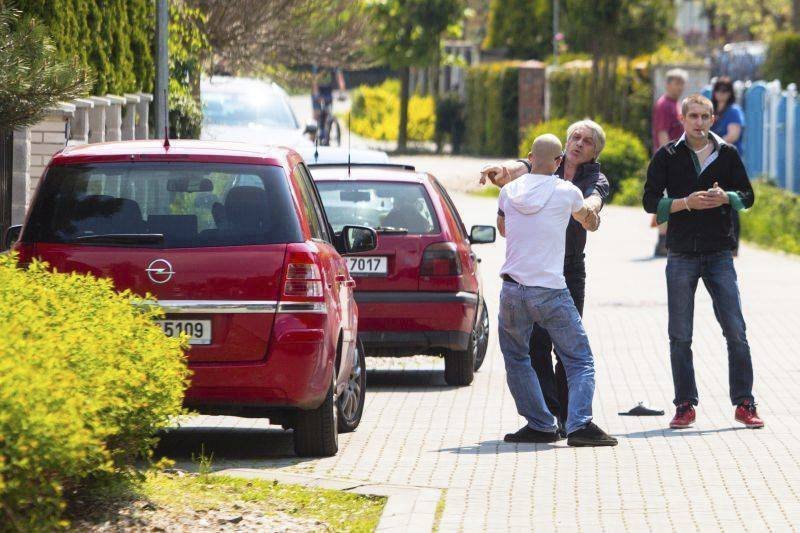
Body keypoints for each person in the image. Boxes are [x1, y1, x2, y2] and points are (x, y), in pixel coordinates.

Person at [642, 94, 764, 430]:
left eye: (705, 116)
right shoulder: (667, 155)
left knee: (735, 330)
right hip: (680, 252)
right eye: (693, 116)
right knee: (680, 334)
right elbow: (650, 201)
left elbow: (749, 197)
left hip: (719, 253)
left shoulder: (727, 154)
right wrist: (685, 203)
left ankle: (744, 402)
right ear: (683, 119)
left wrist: (728, 197)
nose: (699, 122)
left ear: (713, 119)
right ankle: (684, 405)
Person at [480, 120, 609, 436]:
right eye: (574, 138)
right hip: (551, 284)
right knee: (577, 356)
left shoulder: (511, 192)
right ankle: (567, 422)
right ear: (559, 156)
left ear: (595, 153)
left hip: (521, 284)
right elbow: (586, 214)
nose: (578, 144)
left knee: (517, 356)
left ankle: (549, 420)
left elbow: (594, 197)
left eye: (587, 141)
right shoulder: (566, 191)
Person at [651, 68, 688, 257]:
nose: (680, 87)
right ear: (668, 84)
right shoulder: (664, 104)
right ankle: (662, 241)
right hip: (667, 159)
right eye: (677, 83)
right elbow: (662, 133)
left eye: (682, 83)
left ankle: (669, 238)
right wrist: (671, 157)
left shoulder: (676, 104)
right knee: (666, 201)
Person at [710, 76, 745, 255]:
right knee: (714, 200)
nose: (721, 94)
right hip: (712, 159)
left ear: (730, 93)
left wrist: (711, 144)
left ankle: (733, 245)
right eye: (718, 90)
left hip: (729, 161)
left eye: (725, 90)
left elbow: (733, 135)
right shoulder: (713, 111)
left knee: (730, 200)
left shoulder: (734, 110)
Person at [311, 66, 346, 144]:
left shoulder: (334, 66)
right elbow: (314, 82)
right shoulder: (317, 66)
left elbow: (340, 79)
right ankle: (311, 141)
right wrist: (317, 95)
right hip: (318, 92)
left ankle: (326, 136)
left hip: (328, 93)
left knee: (329, 115)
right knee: (316, 118)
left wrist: (342, 92)